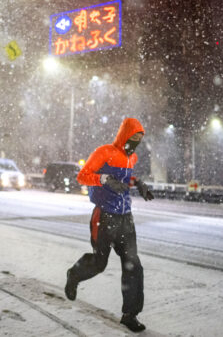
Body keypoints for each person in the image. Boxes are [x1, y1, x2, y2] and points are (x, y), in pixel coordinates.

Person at [65, 117, 154, 333]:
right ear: (124, 135)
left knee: (133, 265)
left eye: (139, 139)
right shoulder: (104, 152)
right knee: (99, 262)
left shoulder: (132, 158)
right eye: (133, 138)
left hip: (126, 219)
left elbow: (124, 179)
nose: (135, 143)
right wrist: (104, 179)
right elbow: (83, 176)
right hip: (104, 217)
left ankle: (130, 314)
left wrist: (138, 183)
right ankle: (74, 275)